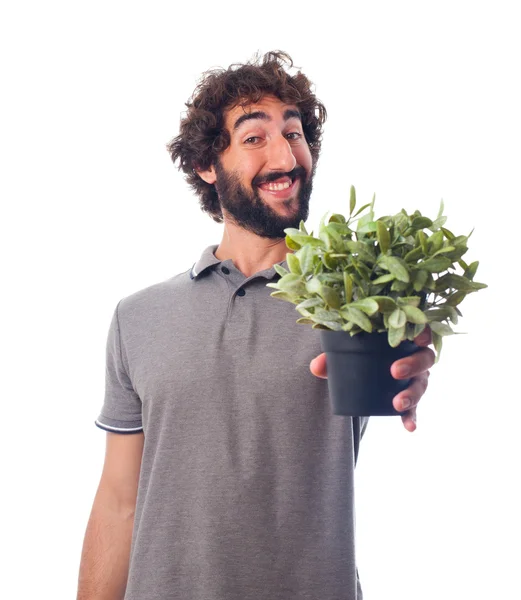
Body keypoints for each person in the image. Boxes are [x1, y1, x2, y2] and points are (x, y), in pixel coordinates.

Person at [76, 50, 434, 600]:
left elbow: (400, 371)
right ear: (206, 165)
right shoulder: (138, 318)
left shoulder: (355, 302)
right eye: (254, 137)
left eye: (294, 134)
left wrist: (411, 367)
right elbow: (120, 499)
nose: (285, 154)